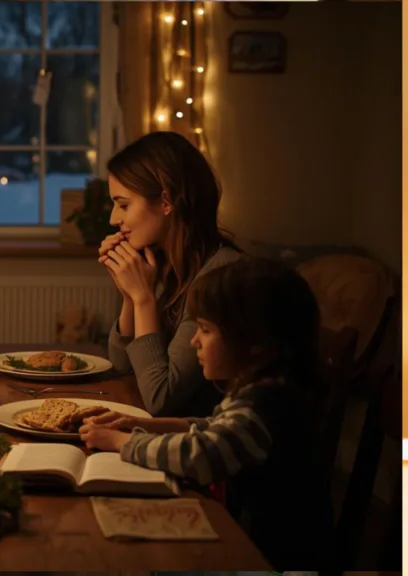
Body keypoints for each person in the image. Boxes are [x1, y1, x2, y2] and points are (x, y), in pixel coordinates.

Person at [79, 258, 335, 570]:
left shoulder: (267, 405)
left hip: (271, 561)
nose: (193, 340)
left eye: (205, 329)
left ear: (255, 342)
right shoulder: (264, 393)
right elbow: (215, 427)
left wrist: (120, 442)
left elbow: (199, 456)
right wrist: (143, 424)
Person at [101, 131, 244, 417]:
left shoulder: (221, 274)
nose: (113, 219)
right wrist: (130, 296)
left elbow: (160, 399)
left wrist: (143, 299)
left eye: (124, 204)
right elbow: (120, 367)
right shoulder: (163, 263)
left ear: (166, 202)